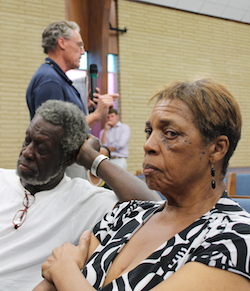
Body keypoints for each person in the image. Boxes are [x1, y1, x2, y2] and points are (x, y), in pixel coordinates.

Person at [34, 78, 250, 291]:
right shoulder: (127, 214)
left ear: (217, 149)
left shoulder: (234, 239)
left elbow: (61, 270)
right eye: (149, 132)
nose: (148, 145)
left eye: (170, 134)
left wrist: (65, 270)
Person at [0, 100, 160, 291]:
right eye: (28, 140)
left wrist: (91, 157)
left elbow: (152, 207)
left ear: (68, 157)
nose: (26, 152)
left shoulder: (82, 199)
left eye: (42, 149)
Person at [26, 20, 118, 179]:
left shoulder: (56, 78)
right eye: (80, 45)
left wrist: (84, 105)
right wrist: (97, 114)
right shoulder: (51, 81)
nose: (83, 52)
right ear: (62, 42)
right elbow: (56, 132)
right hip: (59, 171)